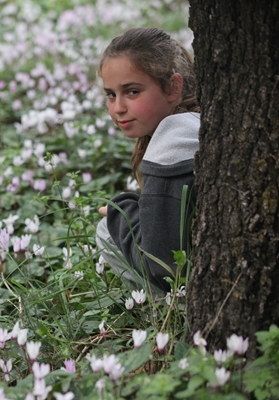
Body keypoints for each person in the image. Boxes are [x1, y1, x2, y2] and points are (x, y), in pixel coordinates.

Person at [95, 27, 200, 294]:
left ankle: (170, 311)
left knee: (104, 231)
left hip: (191, 289)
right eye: (111, 94)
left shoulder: (172, 141)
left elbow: (162, 268)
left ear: (173, 87)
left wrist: (121, 213)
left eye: (132, 92)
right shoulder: (198, 121)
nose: (118, 108)